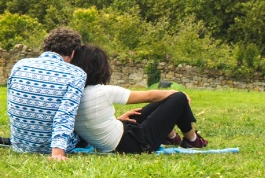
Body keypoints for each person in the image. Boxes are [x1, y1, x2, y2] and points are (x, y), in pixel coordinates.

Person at [71, 45, 207, 154]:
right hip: (138, 143)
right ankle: (192, 140)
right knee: (178, 98)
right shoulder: (102, 92)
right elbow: (149, 96)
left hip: (121, 135)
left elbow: (91, 123)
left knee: (152, 106)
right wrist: (176, 92)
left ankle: (170, 137)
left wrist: (119, 120)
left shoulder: (73, 95)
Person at [6, 27, 87, 161]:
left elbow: (12, 105)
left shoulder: (20, 65)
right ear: (73, 53)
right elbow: (65, 114)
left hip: (20, 145)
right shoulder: (76, 74)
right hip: (48, 148)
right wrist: (58, 152)